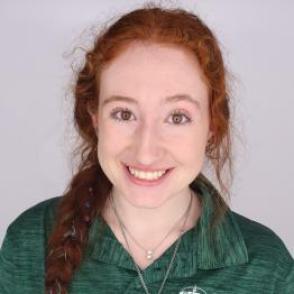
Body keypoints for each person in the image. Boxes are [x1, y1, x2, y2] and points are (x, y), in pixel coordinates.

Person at [0, 4, 293, 294]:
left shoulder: (268, 268)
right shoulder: (29, 241)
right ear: (95, 118)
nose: (146, 151)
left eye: (177, 117)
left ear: (211, 127)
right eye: (124, 114)